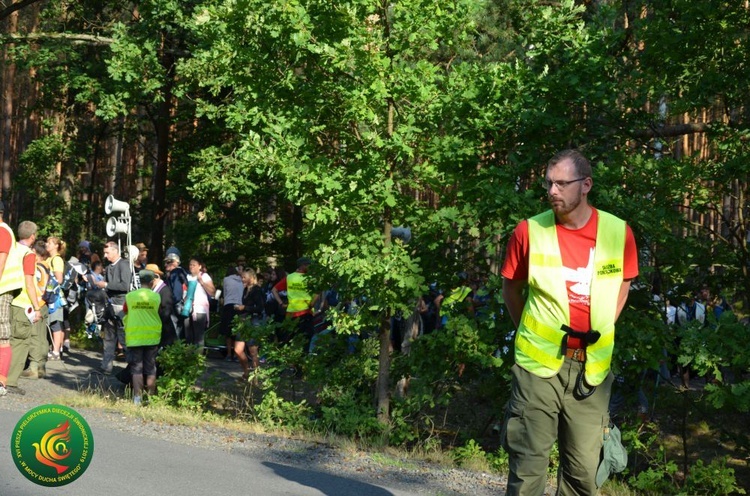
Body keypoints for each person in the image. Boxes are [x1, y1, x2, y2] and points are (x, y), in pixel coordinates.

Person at [500, 149, 639, 495]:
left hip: (591, 372)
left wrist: (604, 324)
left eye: (562, 184)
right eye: (549, 183)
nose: (552, 191)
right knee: (528, 468)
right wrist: (532, 331)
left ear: (586, 185)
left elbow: (624, 283)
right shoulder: (529, 231)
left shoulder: (619, 233)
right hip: (537, 368)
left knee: (582, 475)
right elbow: (511, 288)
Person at [6, 221, 42, 394]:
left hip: (8, 298)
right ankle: (10, 381)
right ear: (33, 236)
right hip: (22, 302)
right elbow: (29, 282)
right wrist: (36, 306)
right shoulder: (28, 254)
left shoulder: (12, 249)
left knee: (7, 340)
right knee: (20, 343)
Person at [123, 269, 162, 405]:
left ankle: (137, 399)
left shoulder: (130, 296)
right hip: (152, 338)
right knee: (151, 368)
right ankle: (151, 398)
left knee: (136, 369)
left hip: (135, 338)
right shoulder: (156, 297)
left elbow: (125, 310)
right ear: (152, 282)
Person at [94, 241, 133, 374]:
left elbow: (125, 286)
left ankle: (133, 369)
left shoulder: (124, 264)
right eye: (104, 253)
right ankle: (106, 367)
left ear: (116, 251)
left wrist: (105, 285)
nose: (105, 256)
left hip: (122, 306)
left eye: (107, 252)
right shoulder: (109, 266)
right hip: (110, 305)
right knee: (109, 338)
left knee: (124, 338)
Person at [0, 201, 25, 397]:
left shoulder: (2, 231)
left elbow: (1, 260)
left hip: (2, 289)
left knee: (2, 335)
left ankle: (1, 381)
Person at [272, 257, 318, 351]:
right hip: (305, 313)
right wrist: (312, 303)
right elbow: (318, 292)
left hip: (290, 314)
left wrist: (281, 304)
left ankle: (292, 363)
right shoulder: (310, 278)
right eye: (308, 265)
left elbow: (274, 290)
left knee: (290, 340)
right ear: (303, 266)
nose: (310, 267)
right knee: (305, 341)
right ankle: (301, 363)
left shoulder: (289, 277)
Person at [234, 269, 265, 381]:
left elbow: (260, 307)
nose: (242, 280)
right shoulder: (246, 289)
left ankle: (255, 377)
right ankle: (246, 372)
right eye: (242, 277)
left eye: (244, 277)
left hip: (254, 320)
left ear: (251, 277)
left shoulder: (257, 290)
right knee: (238, 349)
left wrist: (245, 308)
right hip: (244, 320)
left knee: (253, 351)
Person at [185, 256, 215, 352]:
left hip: (200, 310)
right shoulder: (187, 277)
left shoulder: (204, 276)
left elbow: (212, 292)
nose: (191, 267)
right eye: (190, 265)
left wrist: (201, 281)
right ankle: (189, 360)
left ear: (199, 266)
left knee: (199, 337)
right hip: (187, 308)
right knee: (188, 336)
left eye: (194, 265)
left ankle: (198, 361)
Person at [45, 236, 68, 360]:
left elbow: (59, 279)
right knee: (51, 322)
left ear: (56, 246)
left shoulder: (57, 260)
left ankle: (56, 351)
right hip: (49, 295)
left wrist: (47, 286)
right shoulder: (49, 258)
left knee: (55, 323)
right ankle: (53, 348)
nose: (46, 244)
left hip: (54, 296)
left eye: (49, 243)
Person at [146, 263, 175, 347]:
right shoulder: (153, 290)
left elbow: (166, 311)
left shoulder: (164, 290)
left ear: (156, 276)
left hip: (164, 332)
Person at [221, 265, 244, 361]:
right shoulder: (241, 280)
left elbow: (225, 293)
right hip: (239, 306)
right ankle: (237, 354)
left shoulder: (226, 280)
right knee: (237, 331)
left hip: (229, 305)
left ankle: (229, 354)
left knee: (228, 332)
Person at [164, 252, 188, 340]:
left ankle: (177, 350)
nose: (165, 265)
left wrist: (172, 302)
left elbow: (177, 292)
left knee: (175, 330)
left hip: (176, 305)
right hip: (182, 305)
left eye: (167, 262)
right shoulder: (182, 272)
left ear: (174, 263)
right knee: (180, 329)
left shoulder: (175, 273)